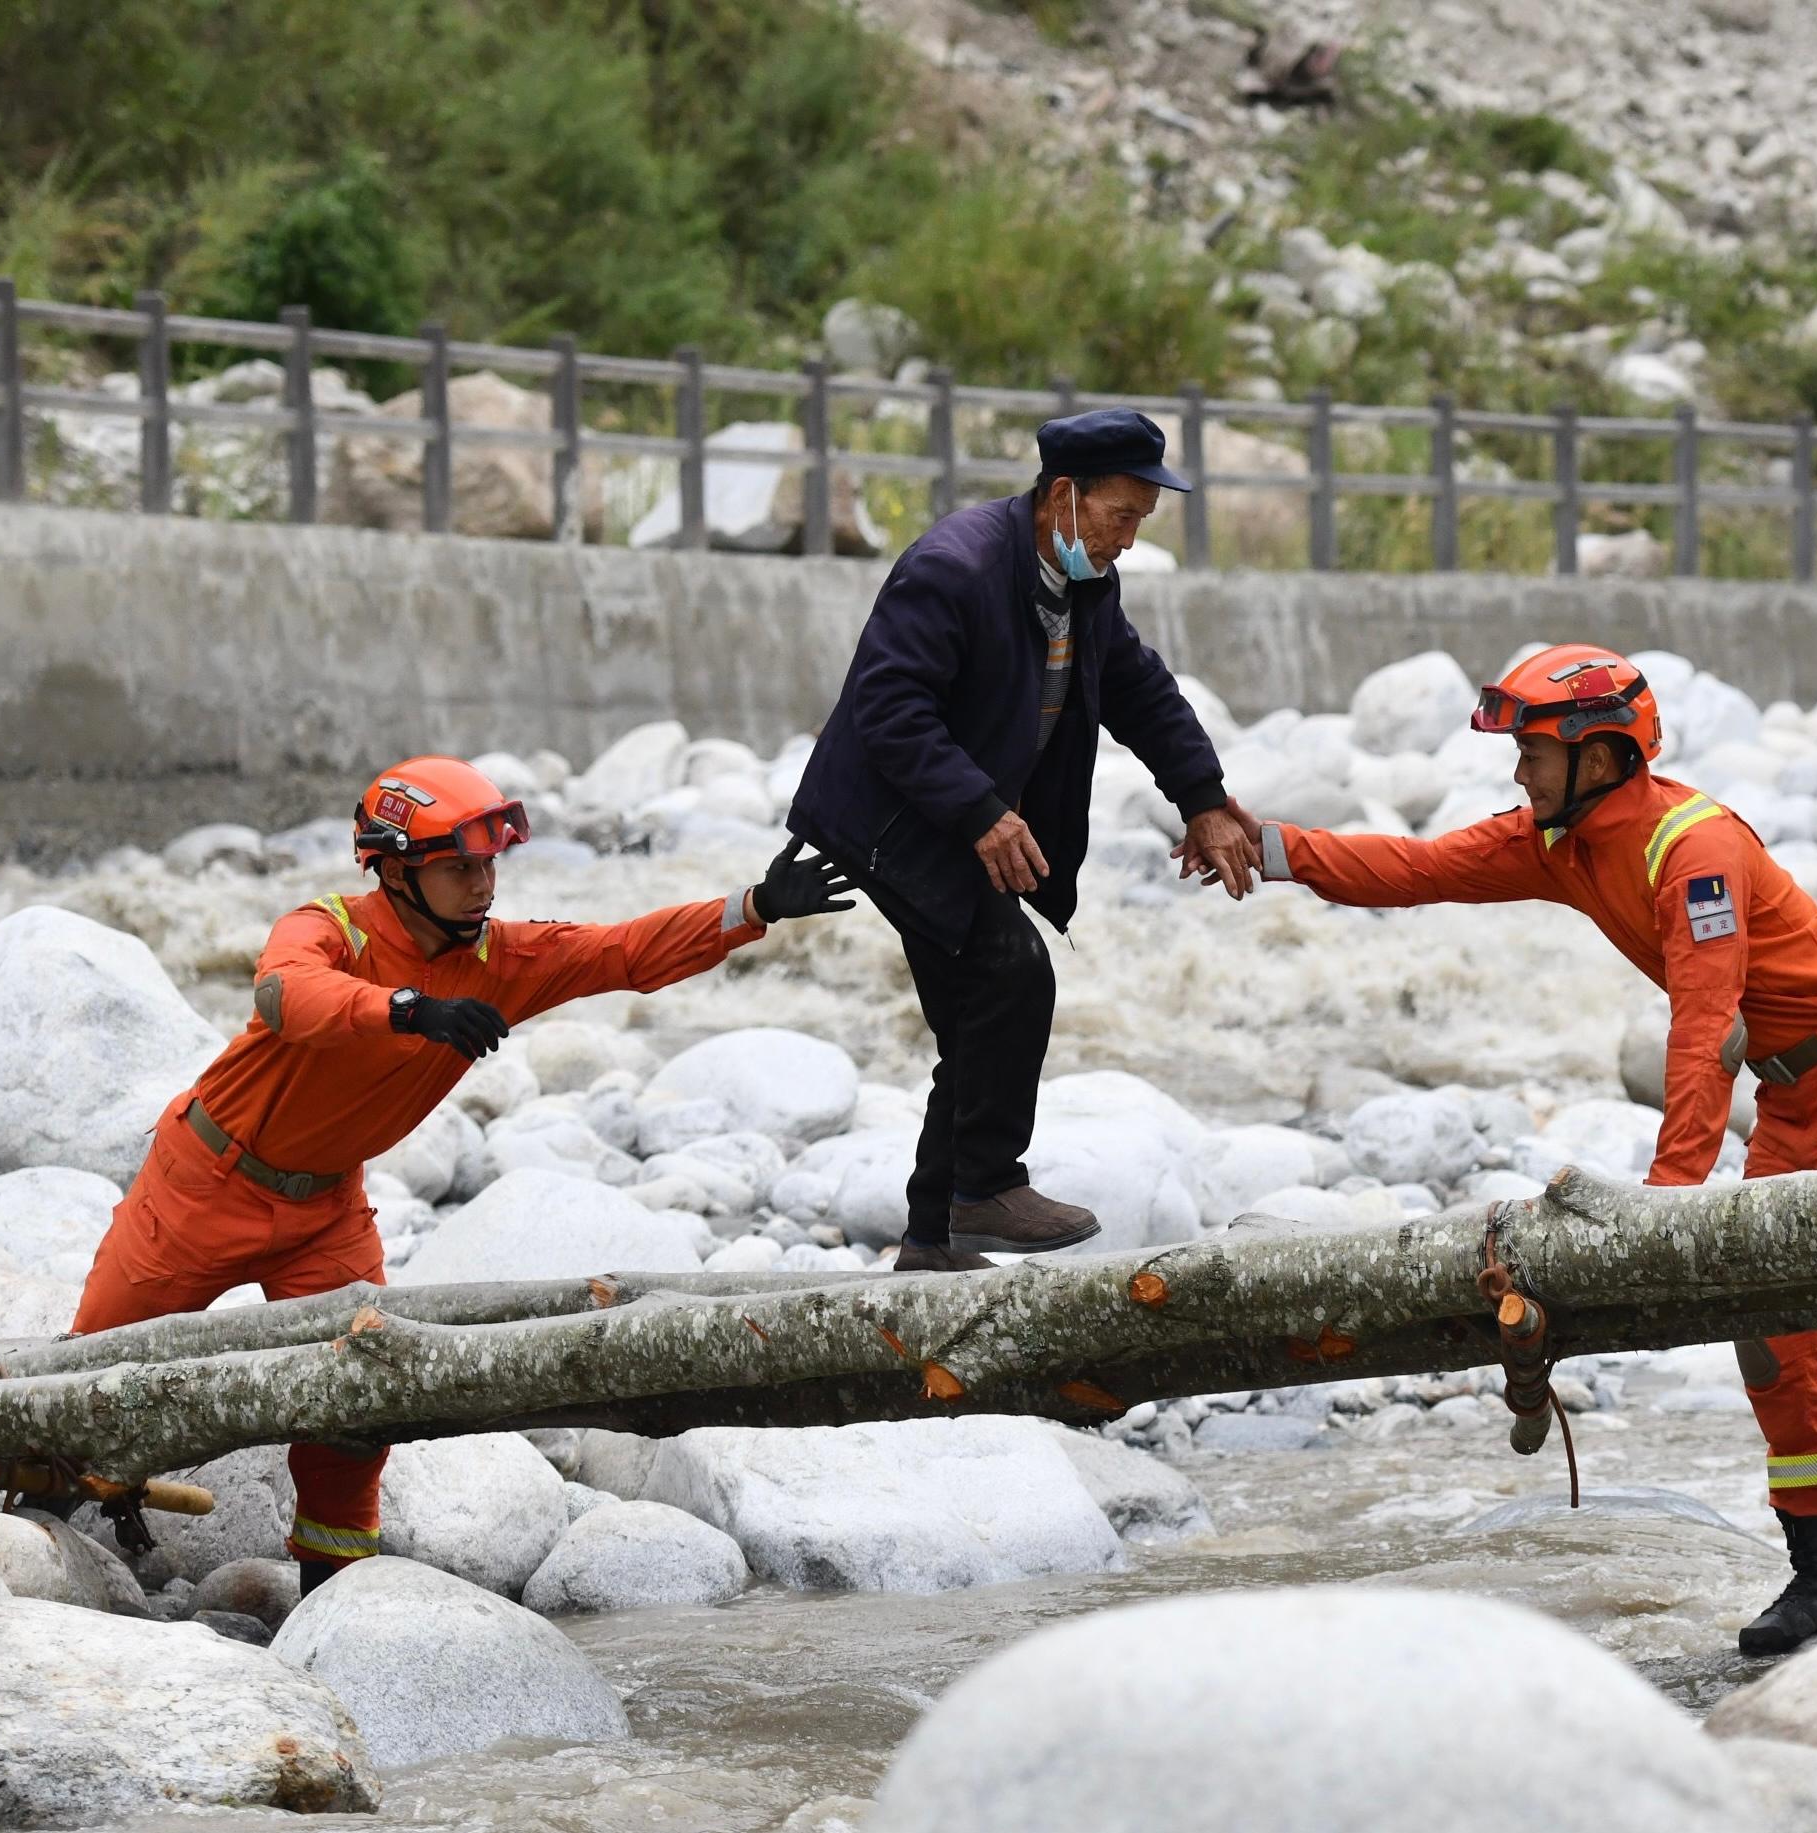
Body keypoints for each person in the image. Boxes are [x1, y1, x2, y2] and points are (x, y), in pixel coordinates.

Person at [1241, 644, 1817, 1653]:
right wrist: (1261, 847)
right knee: (1766, 1332)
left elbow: (1703, 1031)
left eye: (1531, 751)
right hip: (1792, 1101)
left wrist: (1662, 1204)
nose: (1516, 772)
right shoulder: (1556, 839)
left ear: (1597, 752)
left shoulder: (1691, 850)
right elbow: (1415, 869)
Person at [69, 755, 855, 1589]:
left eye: (487, 865)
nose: (483, 885)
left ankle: (332, 1600)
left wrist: (755, 908)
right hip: (205, 1185)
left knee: (357, 1405)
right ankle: (19, 1518)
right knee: (85, 1378)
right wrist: (408, 1010)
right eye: (457, 869)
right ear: (396, 871)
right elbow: (283, 998)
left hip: (326, 1213)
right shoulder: (326, 926)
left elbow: (620, 952)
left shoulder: (500, 961)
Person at [787, 409, 1264, 1272]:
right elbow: (890, 714)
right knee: (1010, 972)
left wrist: (1203, 798)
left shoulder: (1083, 581)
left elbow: (1138, 689)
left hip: (958, 810)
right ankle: (983, 1191)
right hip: (895, 814)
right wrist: (981, 813)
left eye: (1140, 521)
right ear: (1060, 496)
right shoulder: (952, 568)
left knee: (975, 1019)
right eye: (1120, 515)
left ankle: (932, 1241)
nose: (1126, 537)